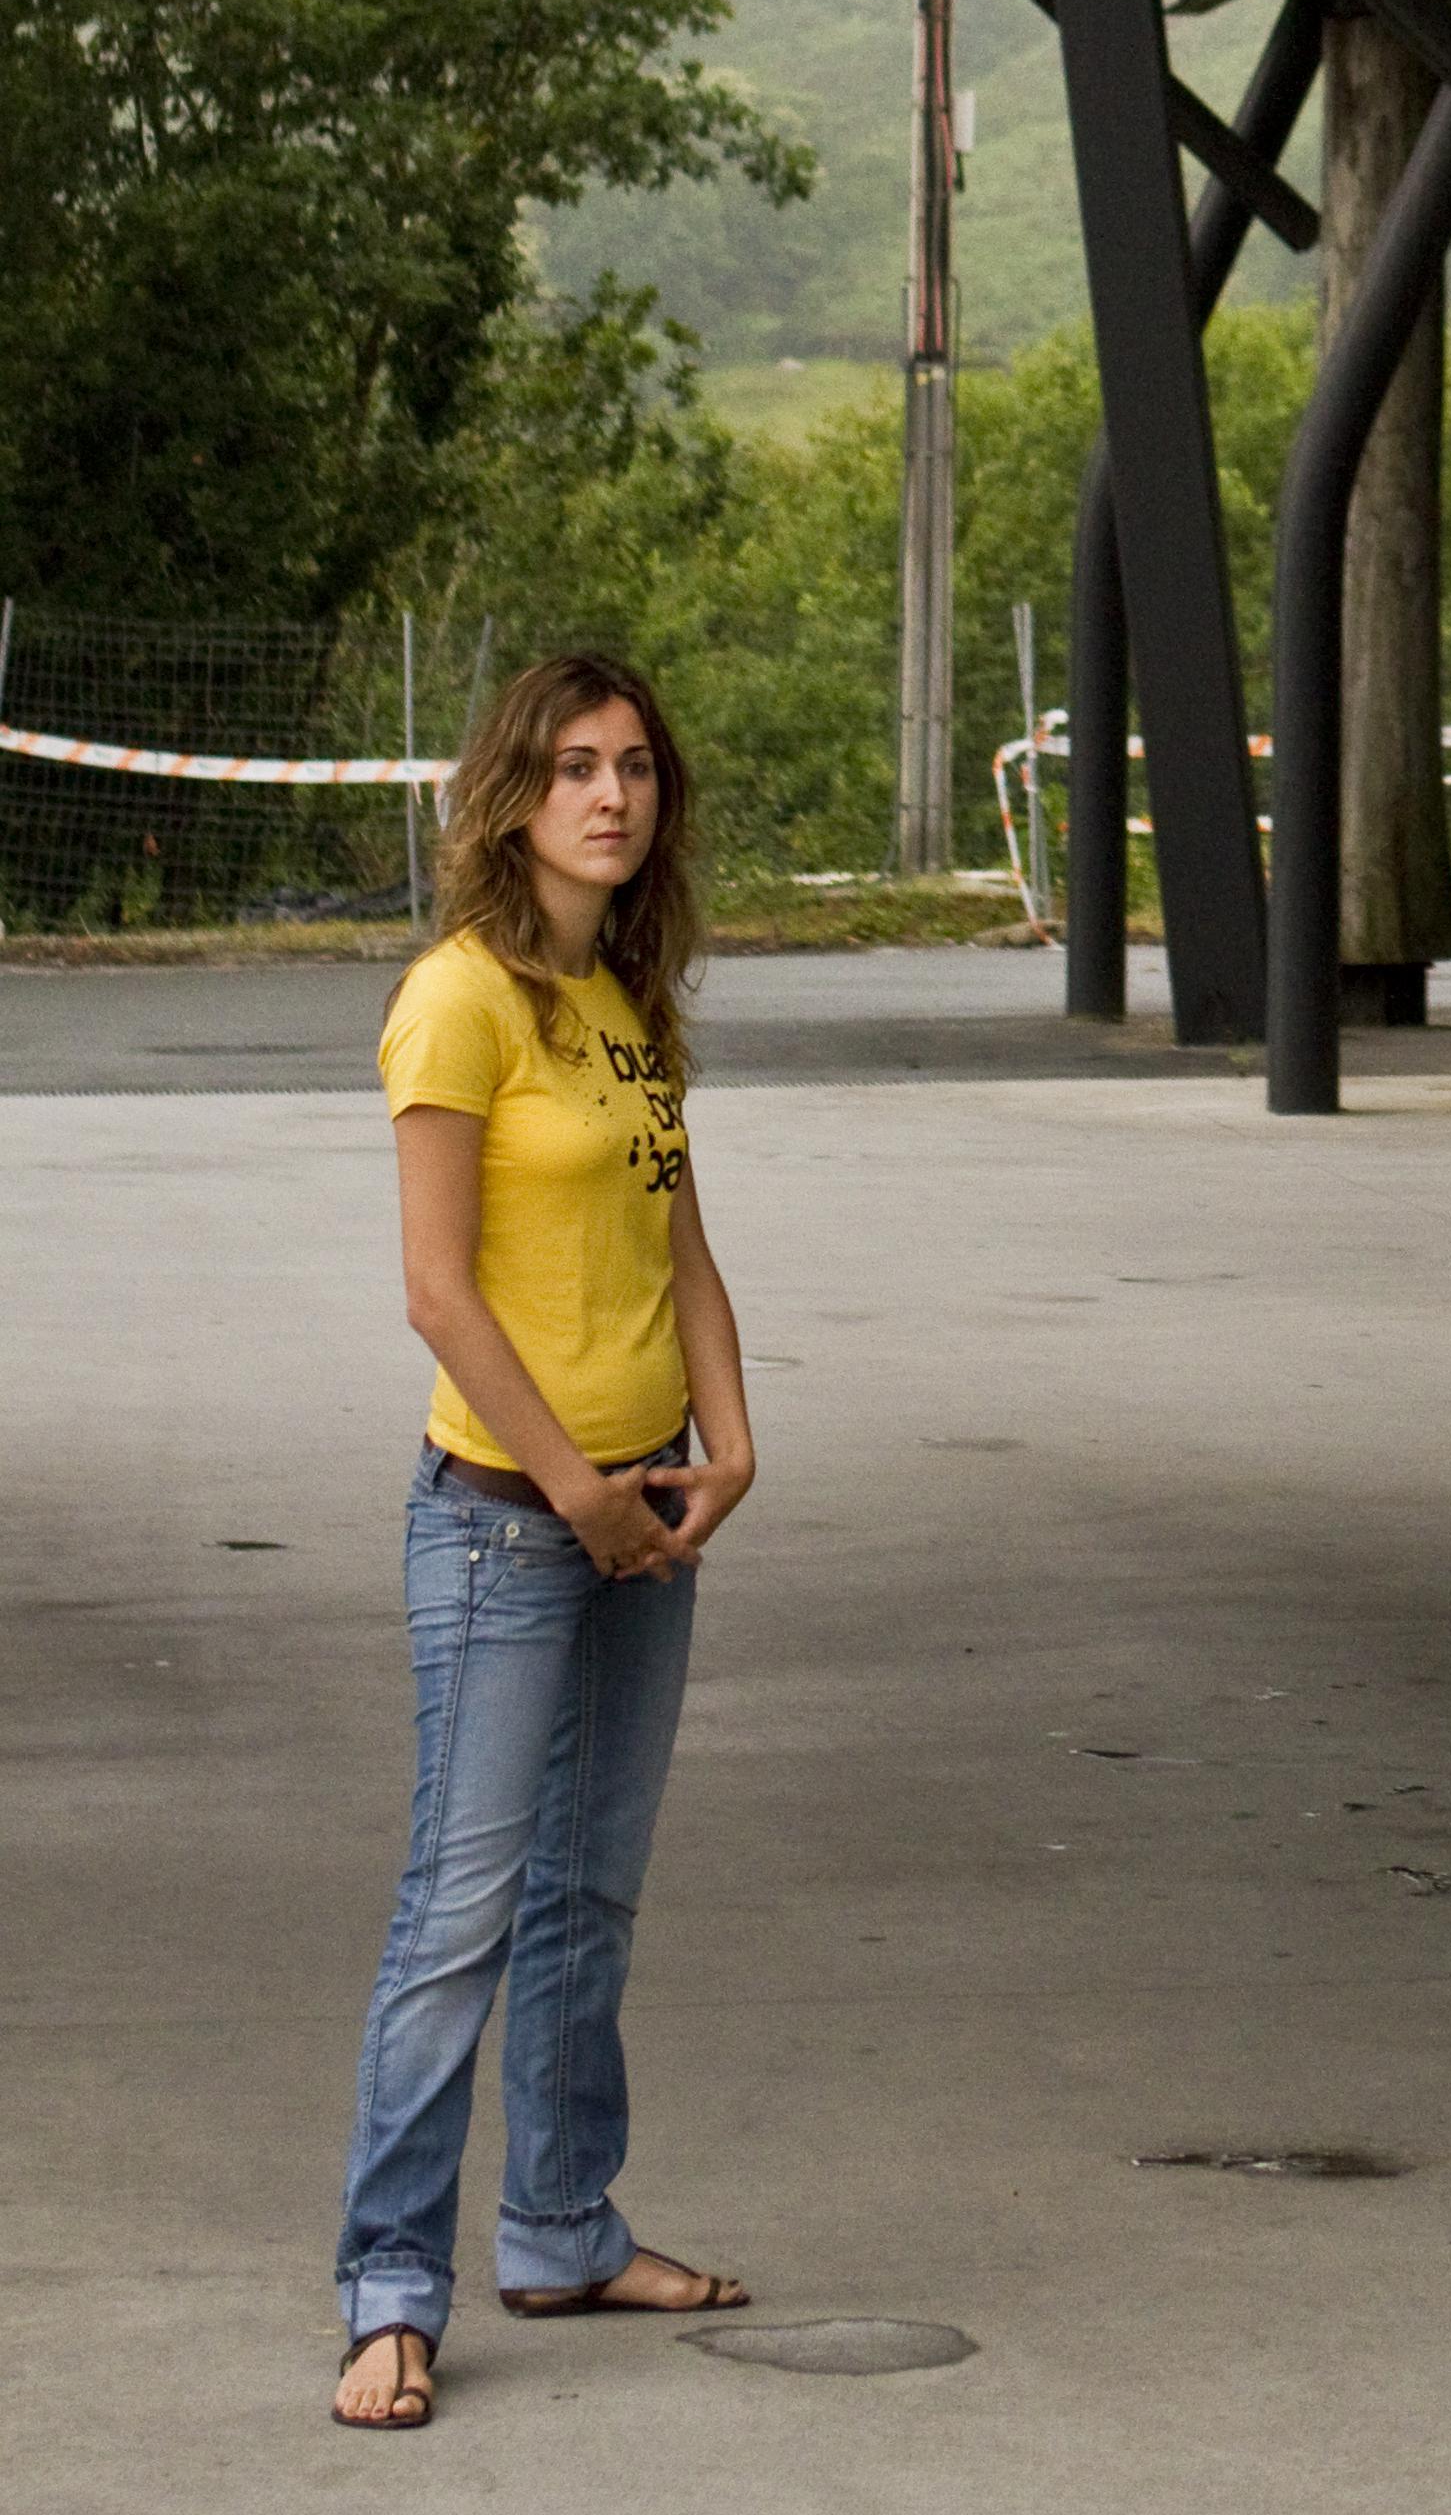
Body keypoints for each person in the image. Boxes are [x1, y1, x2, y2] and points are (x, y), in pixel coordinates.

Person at [330, 656, 759, 2430]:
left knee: (593, 1894)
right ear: (511, 797)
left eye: (635, 766)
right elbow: (438, 1289)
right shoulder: (459, 999)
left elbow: (678, 1247)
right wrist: (572, 1485)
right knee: (463, 1911)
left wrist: (731, 1441)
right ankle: (389, 2288)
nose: (611, 795)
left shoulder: (628, 996)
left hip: (646, 1507)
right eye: (575, 766)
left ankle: (565, 2227)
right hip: (508, 1526)